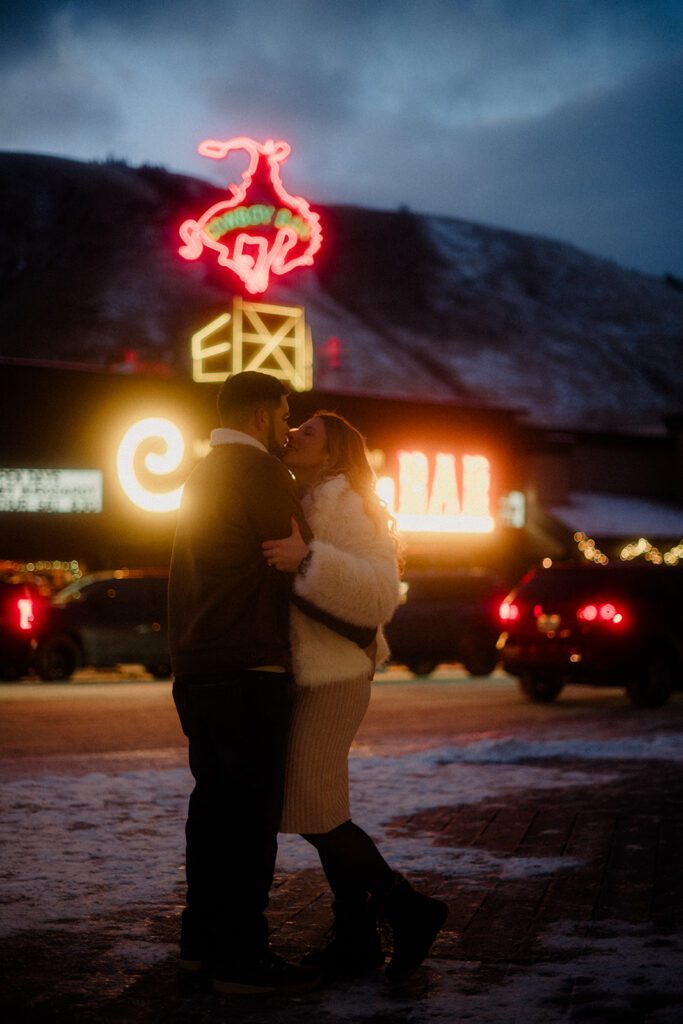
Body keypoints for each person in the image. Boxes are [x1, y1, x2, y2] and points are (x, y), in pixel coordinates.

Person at [262, 412, 448, 985]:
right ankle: (358, 937)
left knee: (310, 806)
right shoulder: (306, 495)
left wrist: (309, 562)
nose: (294, 435)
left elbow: (379, 594)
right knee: (320, 807)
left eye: (308, 432)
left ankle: (408, 909)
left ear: (336, 452)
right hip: (314, 673)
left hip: (337, 676)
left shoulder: (348, 502)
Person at [168, 371, 319, 996]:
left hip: (197, 669)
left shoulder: (201, 473)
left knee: (212, 810)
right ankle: (243, 956)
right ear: (261, 417)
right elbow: (296, 561)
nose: (287, 429)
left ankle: (200, 945)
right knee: (250, 816)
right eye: (285, 415)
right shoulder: (258, 473)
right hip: (248, 668)